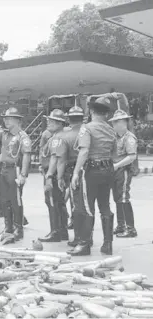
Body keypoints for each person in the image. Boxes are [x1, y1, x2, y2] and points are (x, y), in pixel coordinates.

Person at [70, 96, 117, 256]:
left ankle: (84, 244)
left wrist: (76, 172)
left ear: (91, 111)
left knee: (87, 207)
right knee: (105, 206)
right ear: (106, 114)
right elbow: (114, 153)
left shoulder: (87, 128)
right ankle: (108, 244)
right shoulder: (111, 129)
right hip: (108, 169)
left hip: (92, 170)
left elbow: (84, 151)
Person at [0, 107, 31, 243]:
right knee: (4, 200)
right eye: (5, 119)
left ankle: (18, 228)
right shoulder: (4, 134)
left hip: (14, 170)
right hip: (3, 169)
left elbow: (26, 155)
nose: (6, 121)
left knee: (16, 201)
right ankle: (8, 227)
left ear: (18, 120)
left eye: (9, 119)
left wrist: (23, 174)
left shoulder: (22, 136)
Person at [51, 105, 85, 250]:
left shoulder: (65, 135)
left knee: (76, 206)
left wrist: (59, 178)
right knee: (89, 206)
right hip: (91, 170)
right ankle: (87, 237)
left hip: (74, 172)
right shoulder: (89, 132)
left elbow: (61, 160)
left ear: (69, 119)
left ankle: (79, 238)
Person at [38, 109, 68, 243]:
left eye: (53, 121)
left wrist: (49, 176)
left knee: (52, 202)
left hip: (53, 172)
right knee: (59, 202)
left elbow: (55, 158)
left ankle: (55, 231)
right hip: (54, 171)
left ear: (60, 123)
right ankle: (62, 231)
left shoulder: (57, 138)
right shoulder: (57, 135)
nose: (49, 123)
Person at [109, 109, 138, 238]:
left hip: (123, 170)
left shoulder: (129, 137)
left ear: (123, 122)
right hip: (115, 170)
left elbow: (131, 156)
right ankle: (121, 225)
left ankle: (131, 229)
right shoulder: (115, 137)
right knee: (117, 198)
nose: (113, 125)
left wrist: (116, 165)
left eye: (116, 122)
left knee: (124, 197)